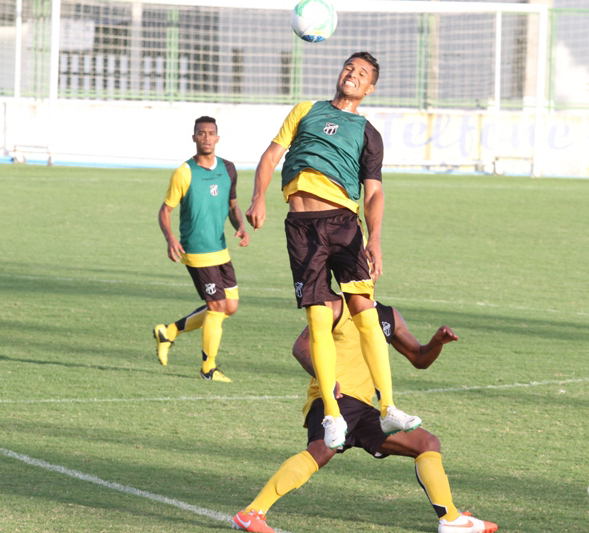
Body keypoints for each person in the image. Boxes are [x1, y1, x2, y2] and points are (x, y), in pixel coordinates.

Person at [245, 51, 419, 449]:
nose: (352, 75)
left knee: (364, 311)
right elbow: (271, 156)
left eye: (362, 74)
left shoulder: (367, 133)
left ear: (370, 88)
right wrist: (258, 197)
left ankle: (389, 406)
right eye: (349, 68)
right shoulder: (305, 110)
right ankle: (332, 414)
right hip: (302, 228)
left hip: (344, 225)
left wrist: (374, 239)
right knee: (319, 318)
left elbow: (374, 192)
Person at [231, 297, 498, 533]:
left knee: (426, 443)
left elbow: (419, 358)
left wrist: (437, 343)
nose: (366, 268)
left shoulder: (388, 316)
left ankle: (451, 519)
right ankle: (251, 513)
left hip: (364, 409)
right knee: (320, 452)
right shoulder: (334, 306)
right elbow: (301, 347)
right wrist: (326, 380)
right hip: (334, 399)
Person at [153, 116, 249, 382]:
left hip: (220, 248)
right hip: (196, 249)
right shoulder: (184, 172)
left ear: (218, 138)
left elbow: (233, 205)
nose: (206, 138)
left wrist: (240, 225)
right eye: (201, 133)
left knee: (230, 306)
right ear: (194, 138)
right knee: (217, 307)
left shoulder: (229, 169)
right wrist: (171, 238)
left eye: (211, 133)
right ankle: (208, 368)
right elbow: (165, 210)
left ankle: (169, 332)